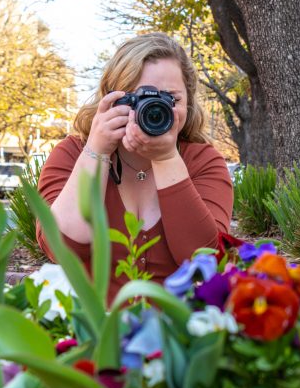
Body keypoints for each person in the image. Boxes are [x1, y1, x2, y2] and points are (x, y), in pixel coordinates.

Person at [37, 33, 233, 299]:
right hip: (96, 332)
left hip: (179, 334)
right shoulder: (72, 154)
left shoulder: (203, 161)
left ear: (189, 101)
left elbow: (206, 258)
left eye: (171, 99)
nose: (156, 108)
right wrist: (96, 151)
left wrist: (166, 159)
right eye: (140, 98)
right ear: (112, 99)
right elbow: (61, 248)